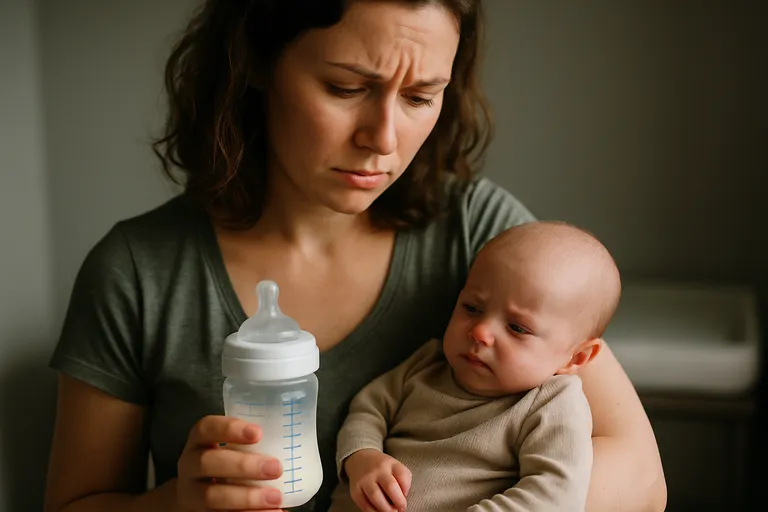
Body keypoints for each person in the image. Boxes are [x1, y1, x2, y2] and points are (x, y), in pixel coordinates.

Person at [43, 1, 666, 511]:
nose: (384, 140)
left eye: (421, 97)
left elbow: (639, 476)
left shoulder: (485, 236)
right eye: (345, 88)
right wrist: (179, 504)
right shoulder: (136, 271)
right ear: (254, 62)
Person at [329, 221, 620, 512]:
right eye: (471, 308)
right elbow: (367, 410)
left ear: (576, 358)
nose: (480, 331)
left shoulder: (550, 403)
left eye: (517, 327)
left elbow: (554, 495)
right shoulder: (426, 364)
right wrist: (362, 457)